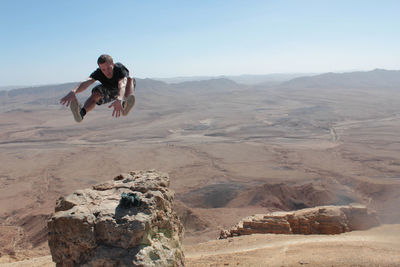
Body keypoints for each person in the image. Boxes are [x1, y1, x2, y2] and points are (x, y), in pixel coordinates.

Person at [60, 54, 136, 122]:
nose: (107, 72)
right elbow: (87, 82)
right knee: (96, 93)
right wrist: (74, 91)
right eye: (103, 70)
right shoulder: (99, 72)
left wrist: (119, 99)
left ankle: (126, 103)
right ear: (100, 68)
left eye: (109, 68)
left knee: (130, 79)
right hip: (110, 91)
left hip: (123, 90)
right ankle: (81, 113)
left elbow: (122, 84)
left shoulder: (119, 68)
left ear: (113, 64)